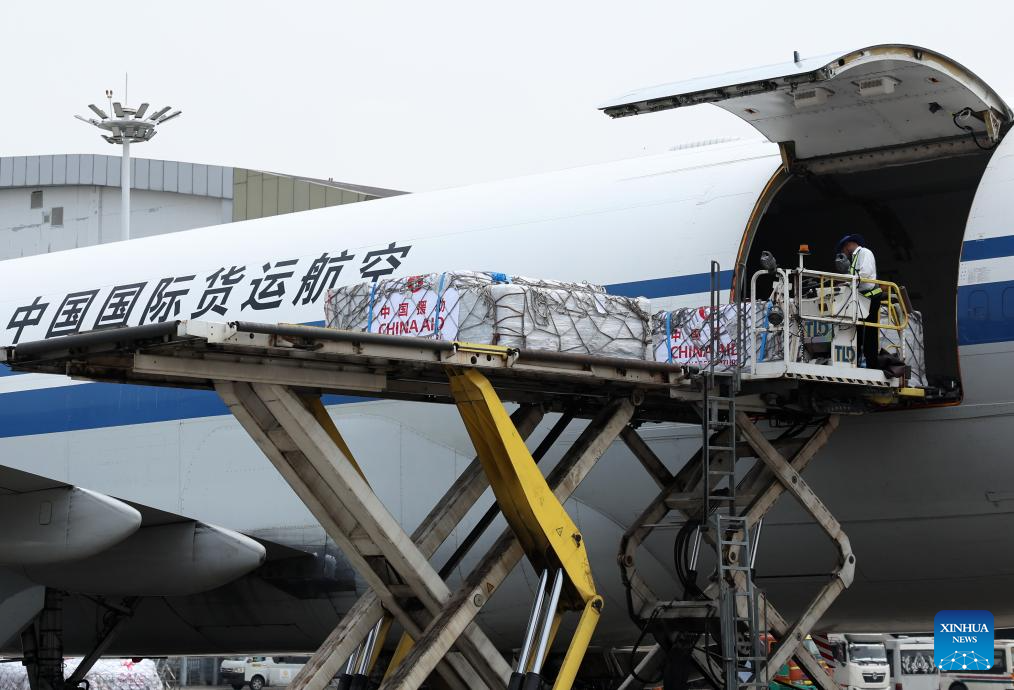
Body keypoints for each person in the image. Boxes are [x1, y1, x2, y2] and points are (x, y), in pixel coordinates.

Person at [836, 233, 882, 368]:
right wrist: (846, 283)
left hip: (870, 297)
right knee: (859, 331)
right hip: (862, 298)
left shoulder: (864, 253)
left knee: (869, 333)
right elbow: (856, 278)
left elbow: (865, 274)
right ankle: (857, 363)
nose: (843, 253)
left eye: (843, 250)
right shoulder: (855, 258)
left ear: (848, 245)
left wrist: (848, 281)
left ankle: (871, 364)